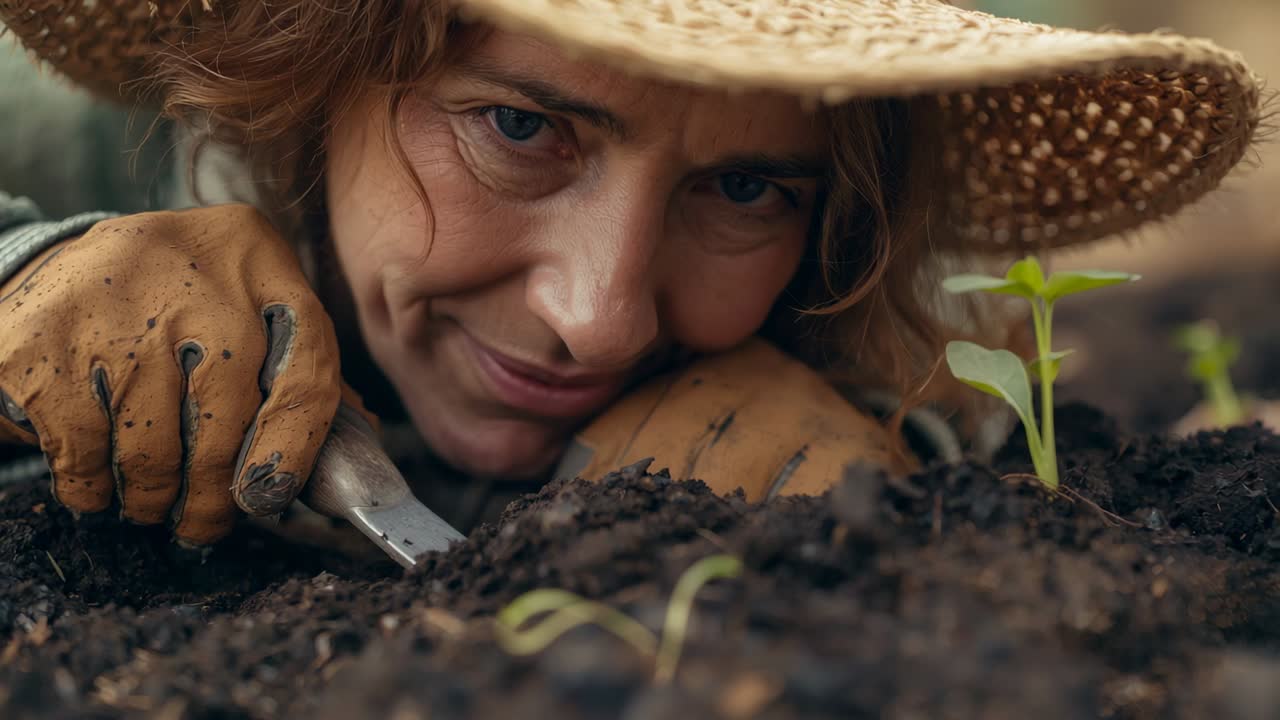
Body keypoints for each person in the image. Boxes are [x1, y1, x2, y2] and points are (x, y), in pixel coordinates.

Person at [0, 0, 1264, 547]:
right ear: (310, 72)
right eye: (516, 129)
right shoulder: (51, 127)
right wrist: (25, 266)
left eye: (744, 189)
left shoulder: (815, 313)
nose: (597, 320)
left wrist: (886, 465)